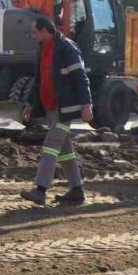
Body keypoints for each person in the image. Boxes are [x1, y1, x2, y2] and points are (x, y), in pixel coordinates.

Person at [20, 16, 94, 206]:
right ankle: (76, 190)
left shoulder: (66, 48)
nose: (33, 36)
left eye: (35, 32)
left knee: (50, 145)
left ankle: (40, 189)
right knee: (64, 151)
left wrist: (87, 105)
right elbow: (39, 80)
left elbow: (80, 77)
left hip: (65, 109)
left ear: (46, 31)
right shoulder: (43, 49)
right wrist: (30, 104)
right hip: (51, 107)